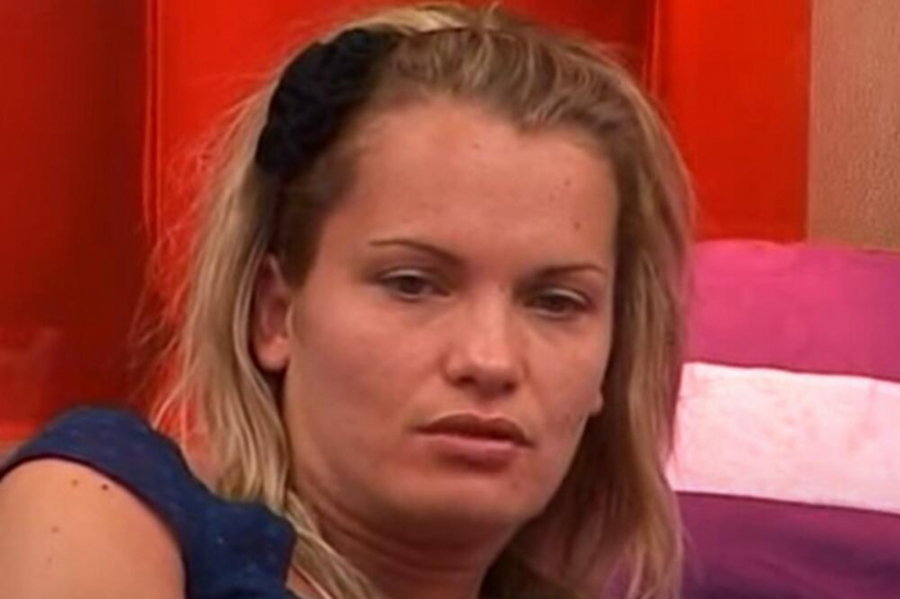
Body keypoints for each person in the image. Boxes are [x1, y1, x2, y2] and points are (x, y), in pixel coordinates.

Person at [0, 2, 692, 598]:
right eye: (412, 284)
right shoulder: (109, 503)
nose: (490, 359)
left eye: (557, 302)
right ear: (275, 312)